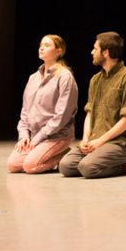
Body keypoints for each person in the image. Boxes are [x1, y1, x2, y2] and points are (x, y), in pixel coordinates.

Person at [58, 31, 126, 178]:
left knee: (87, 168)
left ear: (106, 52)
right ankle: (97, 158)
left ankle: (122, 167)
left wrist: (100, 142)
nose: (92, 52)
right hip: (95, 140)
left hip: (119, 143)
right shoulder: (95, 80)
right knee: (66, 166)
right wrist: (86, 139)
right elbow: (89, 113)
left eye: (95, 48)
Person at [7, 34, 78, 173]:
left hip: (57, 135)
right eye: (41, 45)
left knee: (30, 166)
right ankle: (43, 152)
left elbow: (61, 116)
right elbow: (25, 111)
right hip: (35, 136)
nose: (41, 48)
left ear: (59, 51)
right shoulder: (33, 78)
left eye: (47, 45)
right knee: (13, 165)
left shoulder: (64, 77)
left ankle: (62, 153)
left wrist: (39, 137)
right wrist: (24, 136)